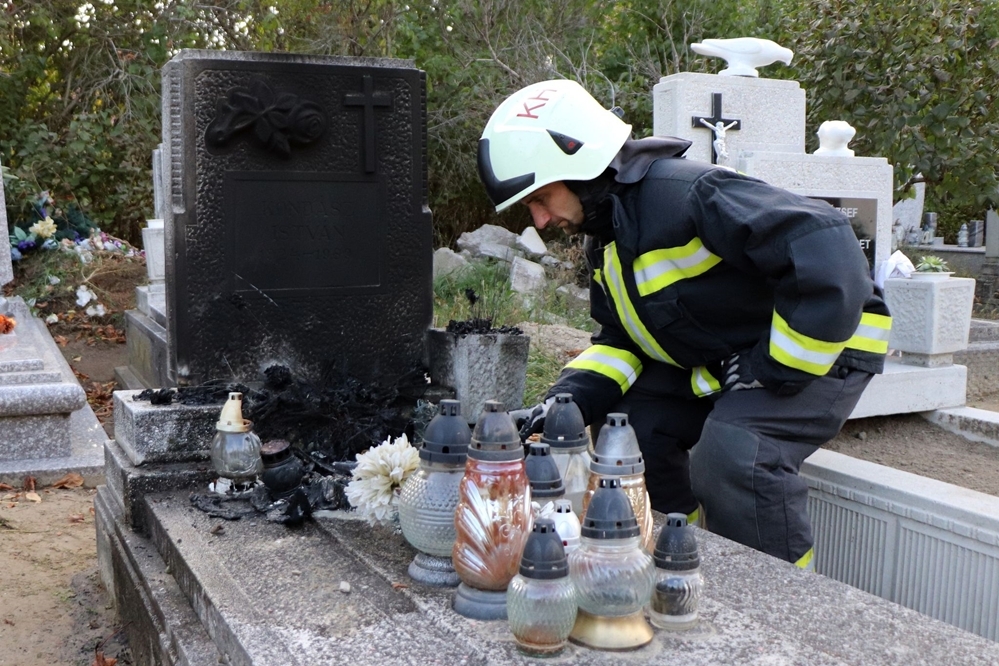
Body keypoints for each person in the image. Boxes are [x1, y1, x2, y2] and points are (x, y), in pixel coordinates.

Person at [481, 80, 891, 569]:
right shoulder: (610, 239)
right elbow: (619, 342)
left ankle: (782, 599)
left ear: (582, 165)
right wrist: (561, 403)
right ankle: (681, 554)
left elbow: (823, 242)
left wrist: (769, 367)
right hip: (731, 357)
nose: (542, 220)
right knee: (632, 431)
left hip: (825, 346)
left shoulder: (686, 194)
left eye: (541, 198)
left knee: (737, 450)